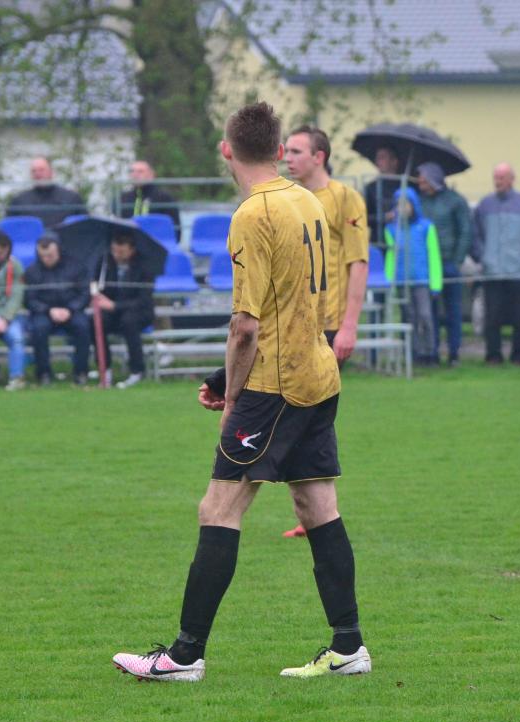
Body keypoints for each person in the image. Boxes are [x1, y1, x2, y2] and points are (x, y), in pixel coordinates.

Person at [112, 101, 369, 681]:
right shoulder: (307, 199)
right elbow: (288, 307)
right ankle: (349, 646)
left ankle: (183, 656)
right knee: (317, 505)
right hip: (318, 372)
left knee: (219, 507)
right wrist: (223, 376)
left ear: (227, 150)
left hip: (274, 385)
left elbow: (246, 325)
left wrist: (233, 398)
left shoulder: (252, 214)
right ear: (278, 150)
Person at [280, 124, 370, 539]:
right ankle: (314, 512)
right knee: (302, 416)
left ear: (319, 157)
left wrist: (348, 326)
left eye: (297, 151)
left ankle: (316, 512)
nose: (288, 158)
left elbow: (358, 262)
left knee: (308, 417)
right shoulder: (288, 198)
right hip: (295, 324)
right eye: (287, 151)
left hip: (330, 325)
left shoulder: (345, 198)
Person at [471, 163, 520, 364]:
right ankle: (493, 355)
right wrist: (482, 257)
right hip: (492, 270)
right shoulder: (485, 205)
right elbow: (475, 235)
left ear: (512, 179)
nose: (498, 181)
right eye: (496, 177)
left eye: (502, 177)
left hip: (518, 270)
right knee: (492, 316)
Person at [416, 162, 472, 366]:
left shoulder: (455, 201)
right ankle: (432, 352)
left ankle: (454, 353)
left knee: (453, 311)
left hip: (449, 264)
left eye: (423, 179)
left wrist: (457, 260)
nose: (420, 183)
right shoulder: (420, 201)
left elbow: (465, 231)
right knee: (429, 312)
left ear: (433, 179)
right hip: (427, 266)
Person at [23, 231, 90, 386]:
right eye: (42, 255)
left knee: (83, 327)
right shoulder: (32, 271)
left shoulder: (76, 267)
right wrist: (48, 310)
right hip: (44, 312)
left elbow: (84, 294)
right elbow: (29, 300)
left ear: (59, 250)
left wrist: (70, 309)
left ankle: (81, 372)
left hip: (72, 310)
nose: (46, 259)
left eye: (50, 255)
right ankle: (43, 373)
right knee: (39, 329)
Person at [384, 187, 442, 365]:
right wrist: (389, 281)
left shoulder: (426, 227)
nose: (402, 208)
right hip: (402, 281)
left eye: (405, 204)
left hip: (422, 281)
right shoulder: (391, 229)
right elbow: (391, 257)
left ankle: (430, 352)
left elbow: (433, 255)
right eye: (398, 205)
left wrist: (436, 284)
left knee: (425, 316)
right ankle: (415, 353)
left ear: (413, 205)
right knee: (409, 318)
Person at [92, 230, 155, 389]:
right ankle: (104, 368)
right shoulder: (105, 263)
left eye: (121, 252)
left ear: (131, 250)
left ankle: (137, 370)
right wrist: (96, 293)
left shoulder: (145, 267)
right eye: (114, 251)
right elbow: (96, 284)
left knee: (129, 322)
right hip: (112, 311)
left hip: (138, 311)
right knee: (95, 321)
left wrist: (115, 305)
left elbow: (143, 300)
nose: (117, 255)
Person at [0, 229, 27, 390]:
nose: (2, 255)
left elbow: (16, 295)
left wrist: (5, 319)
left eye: (5, 251)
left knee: (16, 338)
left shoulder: (14, 266)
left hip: (6, 316)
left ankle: (17, 377)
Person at [6, 157, 86, 227]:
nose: (37, 174)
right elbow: (8, 230)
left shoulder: (71, 198)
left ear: (51, 172)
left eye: (41, 170)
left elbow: (84, 226)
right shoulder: (19, 201)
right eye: (34, 171)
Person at [118, 160, 180, 236]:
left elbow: (176, 228)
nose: (135, 174)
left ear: (151, 174)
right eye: (132, 171)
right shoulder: (123, 198)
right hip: (129, 240)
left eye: (140, 171)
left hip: (156, 239)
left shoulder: (164, 197)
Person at [362, 145, 405, 247]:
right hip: (379, 243)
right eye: (377, 158)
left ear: (394, 161)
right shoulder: (371, 188)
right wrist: (383, 217)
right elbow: (363, 218)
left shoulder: (405, 185)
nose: (378, 162)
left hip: (402, 243)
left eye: (382, 158)